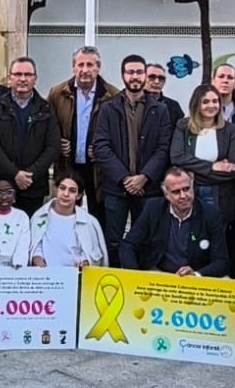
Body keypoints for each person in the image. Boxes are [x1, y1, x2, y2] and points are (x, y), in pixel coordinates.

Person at [93, 55, 175, 264]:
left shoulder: (160, 110)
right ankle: (115, 280)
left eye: (139, 72)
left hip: (148, 189)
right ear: (123, 75)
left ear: (145, 75)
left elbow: (163, 148)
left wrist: (144, 177)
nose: (135, 76)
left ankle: (141, 285)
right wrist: (124, 178)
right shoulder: (108, 108)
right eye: (130, 72)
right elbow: (101, 147)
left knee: (146, 241)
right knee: (113, 241)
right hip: (116, 188)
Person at [170, 85, 235, 271]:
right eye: (206, 101)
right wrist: (213, 166)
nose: (211, 105)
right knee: (190, 237)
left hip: (219, 196)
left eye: (215, 101)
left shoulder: (230, 131)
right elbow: (177, 157)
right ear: (196, 104)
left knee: (216, 241)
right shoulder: (183, 126)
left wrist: (195, 172)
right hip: (191, 192)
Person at [0, 57, 60, 216]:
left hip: (34, 185)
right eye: (18, 74)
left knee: (30, 232)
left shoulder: (46, 108)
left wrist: (30, 174)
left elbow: (53, 146)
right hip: (3, 185)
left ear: (35, 79)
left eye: (28, 75)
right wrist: (15, 174)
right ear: (10, 78)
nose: (23, 79)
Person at [47, 46, 117, 220]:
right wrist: (57, 144)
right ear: (73, 67)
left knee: (99, 216)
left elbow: (119, 134)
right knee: (65, 214)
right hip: (68, 165)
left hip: (98, 169)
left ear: (98, 68)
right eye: (80, 65)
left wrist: (103, 150)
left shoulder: (113, 95)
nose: (85, 70)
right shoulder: (58, 93)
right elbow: (47, 125)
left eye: (90, 65)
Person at [120, 168, 230, 277]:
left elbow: (221, 261)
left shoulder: (210, 214)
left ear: (193, 188)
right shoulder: (153, 208)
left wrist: (196, 274)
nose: (183, 196)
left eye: (186, 189)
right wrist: (135, 277)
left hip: (193, 279)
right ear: (166, 194)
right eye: (176, 192)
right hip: (158, 274)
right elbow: (128, 246)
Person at [28, 172, 109, 268]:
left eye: (72, 191)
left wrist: (85, 262)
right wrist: (37, 259)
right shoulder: (39, 217)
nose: (66, 194)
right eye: (62, 188)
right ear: (56, 189)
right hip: (45, 278)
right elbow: (34, 246)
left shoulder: (89, 222)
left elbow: (94, 254)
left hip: (75, 277)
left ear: (79, 195)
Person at [145, 63, 185, 127]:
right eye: (152, 77)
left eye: (161, 78)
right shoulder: (132, 104)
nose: (157, 82)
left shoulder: (173, 106)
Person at [211, 64, 235, 128]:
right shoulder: (204, 107)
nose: (225, 81)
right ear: (212, 81)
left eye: (230, 77)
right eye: (221, 76)